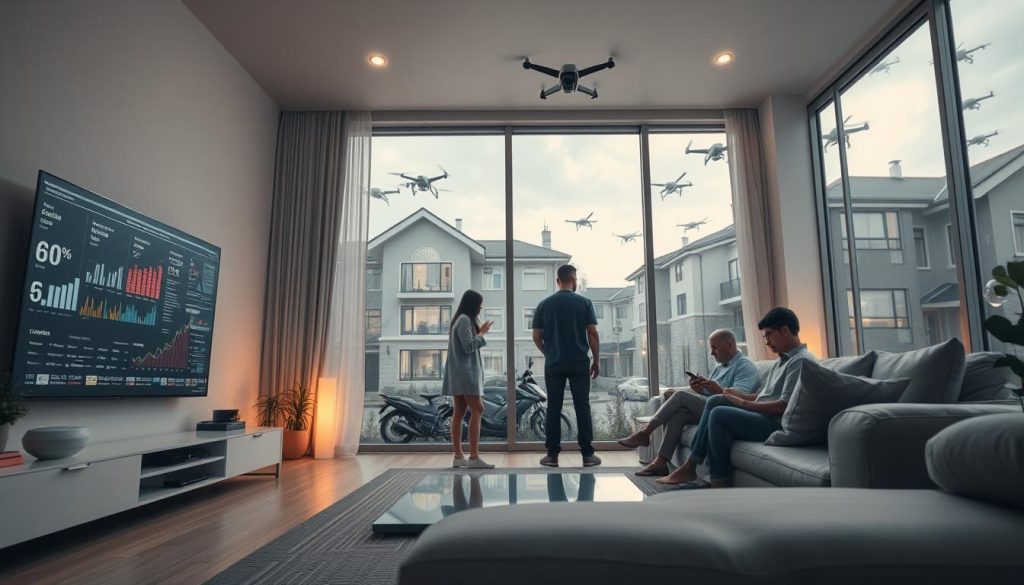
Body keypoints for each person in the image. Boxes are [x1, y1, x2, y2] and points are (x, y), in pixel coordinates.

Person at [656, 307, 815, 487]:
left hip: (775, 423)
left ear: (785, 330)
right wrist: (732, 395)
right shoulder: (782, 361)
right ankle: (711, 476)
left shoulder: (800, 361)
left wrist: (743, 403)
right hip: (763, 416)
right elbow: (762, 396)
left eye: (769, 335)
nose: (767, 342)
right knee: (717, 402)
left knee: (718, 412)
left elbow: (782, 406)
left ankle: (698, 470)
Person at [617, 329, 759, 477]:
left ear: (729, 345)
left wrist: (717, 389)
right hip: (712, 407)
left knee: (679, 396)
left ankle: (645, 432)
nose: (712, 353)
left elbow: (739, 397)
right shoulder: (719, 366)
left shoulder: (744, 366)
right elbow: (710, 394)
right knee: (678, 415)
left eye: (715, 347)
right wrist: (699, 389)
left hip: (726, 411)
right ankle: (660, 462)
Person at [532, 264, 601, 468]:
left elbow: (536, 336)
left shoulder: (544, 304)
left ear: (557, 280)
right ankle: (588, 455)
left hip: (554, 363)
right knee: (582, 406)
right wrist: (596, 359)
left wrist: (549, 352)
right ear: (574, 280)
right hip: (579, 362)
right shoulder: (585, 302)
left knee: (553, 407)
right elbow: (593, 333)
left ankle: (552, 455)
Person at [441, 290, 495, 469]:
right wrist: (482, 334)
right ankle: (473, 457)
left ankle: (458, 457)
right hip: (465, 373)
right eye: (479, 304)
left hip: (459, 373)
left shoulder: (461, 319)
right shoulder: (464, 320)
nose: (481, 307)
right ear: (473, 304)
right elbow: (469, 346)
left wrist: (478, 331)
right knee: (478, 409)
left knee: (459, 412)